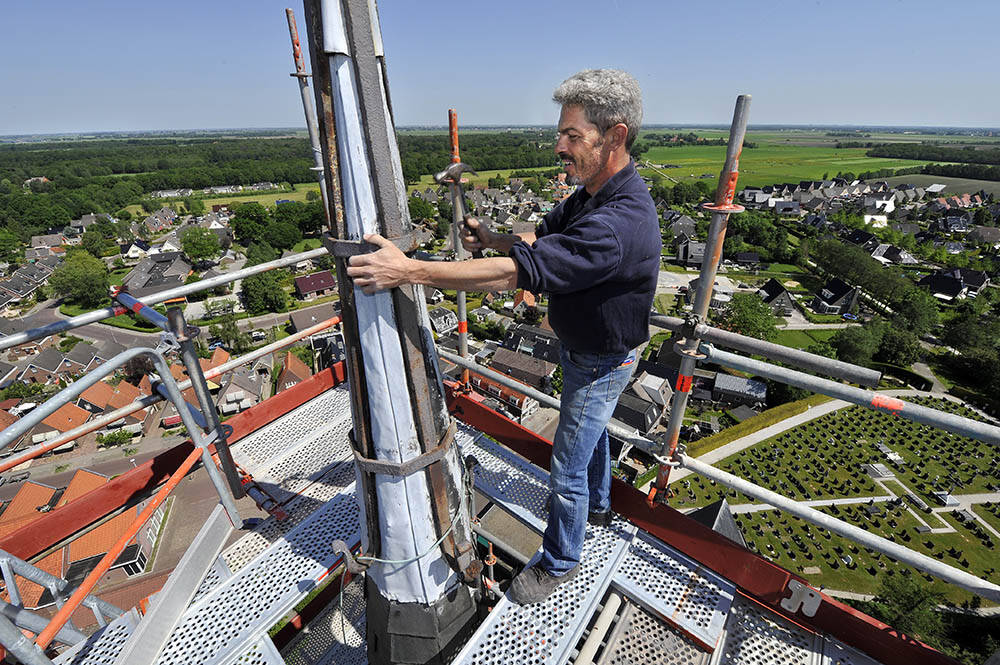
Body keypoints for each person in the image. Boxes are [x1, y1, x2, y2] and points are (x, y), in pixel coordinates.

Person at [347, 69, 661, 604]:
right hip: (595, 349)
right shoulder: (595, 193)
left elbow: (516, 273)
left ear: (616, 136)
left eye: (573, 136)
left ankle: (560, 561)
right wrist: (494, 237)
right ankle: (602, 505)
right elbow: (542, 237)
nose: (559, 146)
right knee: (593, 434)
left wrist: (410, 271)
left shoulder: (617, 222)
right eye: (560, 132)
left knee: (567, 465)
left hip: (603, 358)